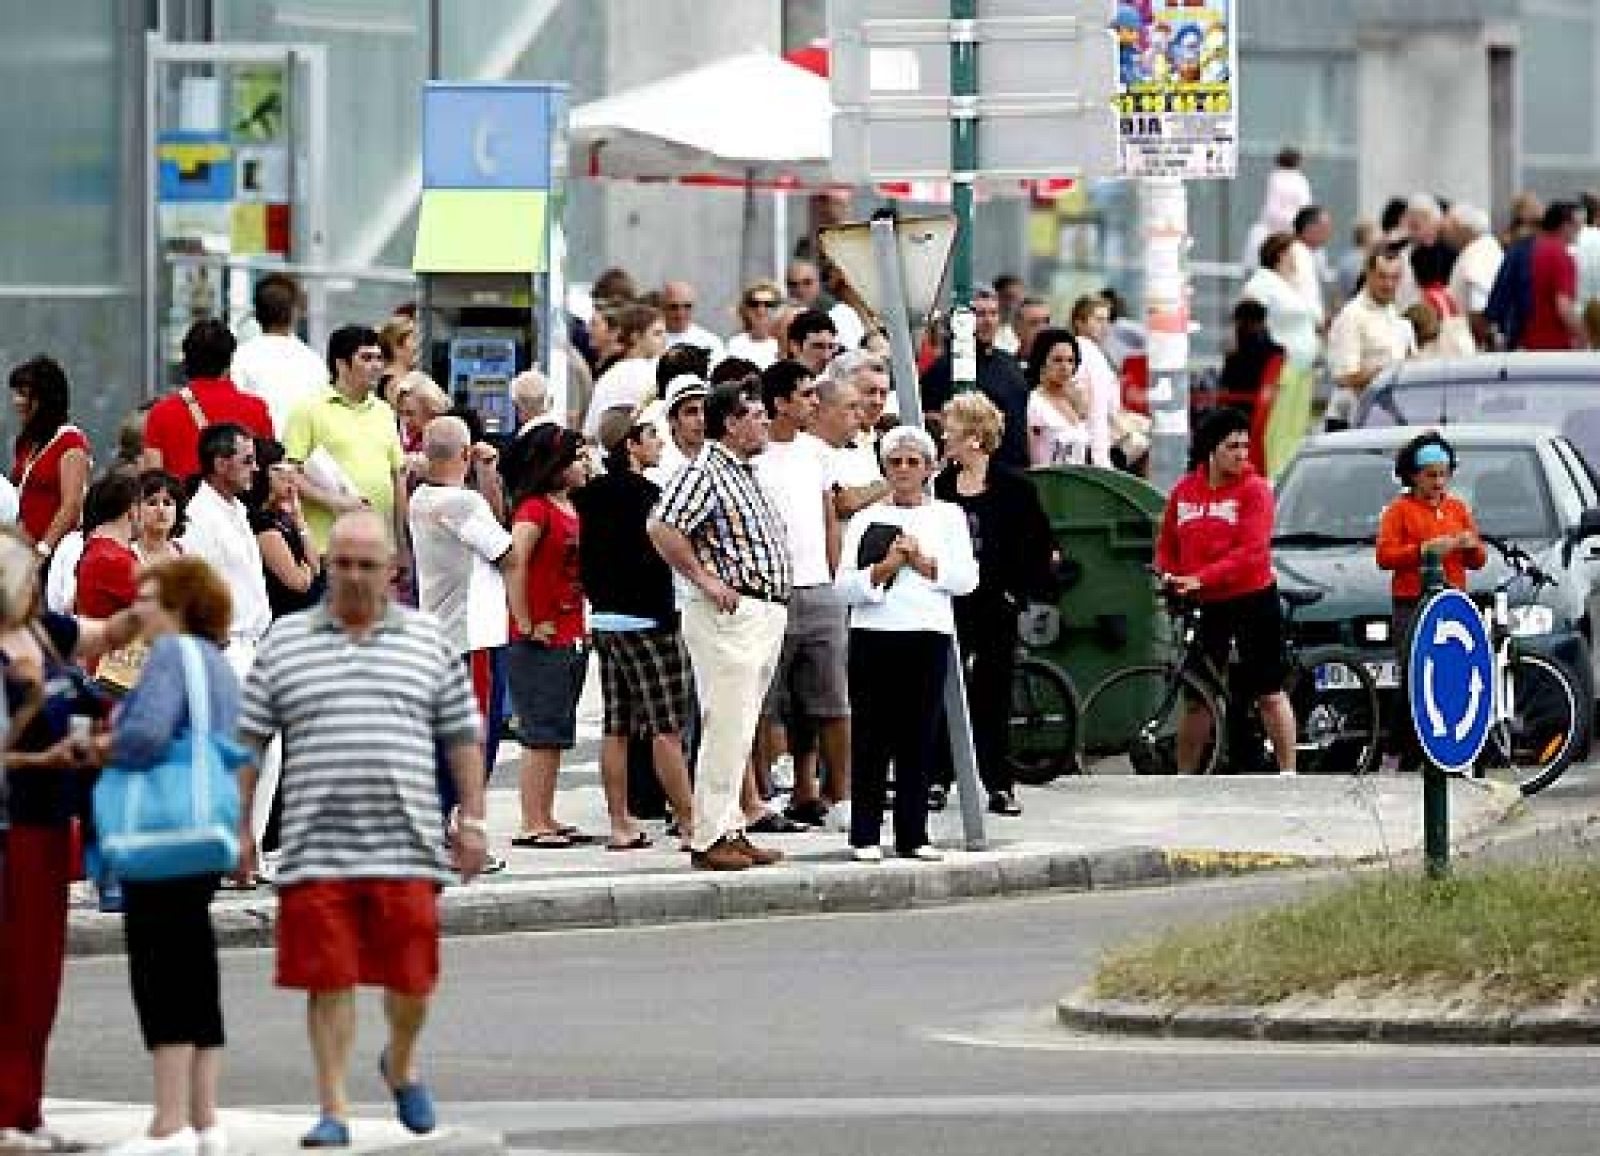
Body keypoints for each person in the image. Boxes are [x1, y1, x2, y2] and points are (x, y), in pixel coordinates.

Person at [235, 511, 487, 1145]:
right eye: (341, 563)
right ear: (325, 566)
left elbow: (461, 735)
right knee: (329, 977)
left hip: (406, 843)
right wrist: (239, 827)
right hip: (315, 845)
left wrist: (474, 820)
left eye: (366, 565)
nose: (352, 576)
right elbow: (250, 743)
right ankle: (335, 1107)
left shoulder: (427, 641)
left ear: (391, 572)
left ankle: (399, 1064)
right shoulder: (286, 642)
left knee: (410, 980)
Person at [0, 527, 144, 1149]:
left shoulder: (46, 634)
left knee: (39, 977)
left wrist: (160, 600)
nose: (38, 581)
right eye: (29, 572)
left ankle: (25, 1109)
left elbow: (106, 634)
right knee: (9, 974)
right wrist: (44, 754)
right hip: (11, 829)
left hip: (52, 825)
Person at [103, 558, 240, 1156]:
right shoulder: (218, 664)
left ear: (179, 607)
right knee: (194, 963)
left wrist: (101, 746)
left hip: (160, 831)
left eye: (151, 599)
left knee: (158, 969)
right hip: (204, 827)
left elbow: (148, 734)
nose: (141, 609)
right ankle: (205, 1117)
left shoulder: (168, 657)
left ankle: (167, 1120)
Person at [648, 382, 791, 871]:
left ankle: (731, 826)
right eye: (756, 414)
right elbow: (662, 526)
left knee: (740, 725)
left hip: (759, 609)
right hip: (731, 614)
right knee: (726, 724)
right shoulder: (705, 471)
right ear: (730, 422)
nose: (765, 422)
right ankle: (708, 836)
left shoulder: (742, 472)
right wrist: (705, 579)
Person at [835, 425, 978, 861]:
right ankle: (865, 834)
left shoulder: (948, 518)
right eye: (895, 461)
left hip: (926, 634)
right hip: (874, 635)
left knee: (918, 737)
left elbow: (966, 579)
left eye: (913, 462)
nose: (903, 470)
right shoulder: (865, 520)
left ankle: (913, 833)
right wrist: (885, 568)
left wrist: (922, 562)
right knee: (871, 737)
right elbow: (846, 587)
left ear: (929, 469)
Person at [573, 410, 696, 845]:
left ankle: (619, 824)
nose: (659, 443)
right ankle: (689, 820)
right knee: (667, 728)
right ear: (631, 444)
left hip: (605, 619)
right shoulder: (650, 496)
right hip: (648, 619)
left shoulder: (588, 496)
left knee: (617, 726)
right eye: (651, 436)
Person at [1154, 408, 1296, 775]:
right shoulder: (1185, 491)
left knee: (1268, 691)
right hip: (1206, 604)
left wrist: (1201, 577)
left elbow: (1251, 553)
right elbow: (1167, 543)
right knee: (1197, 696)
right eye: (1232, 447)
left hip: (1252, 597)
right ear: (1211, 450)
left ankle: (1288, 771)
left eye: (1245, 447)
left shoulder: (1255, 490)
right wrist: (1169, 574)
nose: (1241, 454)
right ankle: (1185, 774)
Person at [934, 393, 1056, 816]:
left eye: (950, 430)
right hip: (947, 602)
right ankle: (938, 776)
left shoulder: (1015, 489)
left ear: (972, 437)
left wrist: (1015, 595)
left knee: (992, 694)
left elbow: (1040, 547)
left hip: (993, 605)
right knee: (943, 689)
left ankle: (998, 782)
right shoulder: (939, 488)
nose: (943, 437)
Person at [408, 416, 512, 859]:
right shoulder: (462, 504)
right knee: (477, 740)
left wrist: (485, 478)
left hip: (442, 633)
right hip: (475, 636)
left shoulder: (422, 498)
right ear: (466, 454)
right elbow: (506, 550)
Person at [752, 360, 850, 828]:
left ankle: (828, 793)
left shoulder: (817, 453)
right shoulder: (753, 454)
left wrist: (833, 574)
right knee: (763, 702)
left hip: (819, 588)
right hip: (769, 591)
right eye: (806, 394)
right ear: (780, 403)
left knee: (827, 699)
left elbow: (830, 515)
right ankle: (760, 794)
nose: (814, 402)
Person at [501, 425, 605, 848]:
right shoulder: (534, 510)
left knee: (558, 730)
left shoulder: (573, 506)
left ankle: (546, 814)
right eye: (577, 456)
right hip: (541, 637)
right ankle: (532, 821)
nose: (584, 463)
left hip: (571, 631)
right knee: (540, 731)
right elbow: (515, 562)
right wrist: (526, 622)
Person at [1375, 433, 1486, 771]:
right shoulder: (1399, 511)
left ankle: (1443, 751)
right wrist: (1423, 551)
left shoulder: (1457, 509)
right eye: (1430, 475)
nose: (1438, 482)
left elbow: (1478, 560)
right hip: (1412, 604)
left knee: (1450, 676)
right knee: (1413, 678)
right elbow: (1384, 555)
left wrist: (1468, 546)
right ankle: (1396, 753)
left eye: (1443, 474)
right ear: (1413, 476)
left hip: (1452, 603)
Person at [283, 325, 407, 555]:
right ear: (341, 364)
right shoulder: (308, 409)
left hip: (378, 546)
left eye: (379, 358)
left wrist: (399, 543)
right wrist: (334, 501)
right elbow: (288, 473)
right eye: (367, 358)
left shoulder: (384, 411)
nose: (377, 366)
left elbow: (397, 475)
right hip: (328, 547)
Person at [179, 425, 270, 681]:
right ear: (220, 464)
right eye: (247, 460)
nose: (256, 468)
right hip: (226, 653)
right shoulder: (198, 518)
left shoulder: (237, 509)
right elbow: (194, 591)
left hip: (254, 648)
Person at [142, 320, 273, 481]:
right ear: (230, 360)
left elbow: (152, 481)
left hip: (184, 504)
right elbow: (267, 471)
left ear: (186, 360)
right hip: (241, 504)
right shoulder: (256, 409)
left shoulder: (160, 413)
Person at [920, 289, 1030, 468]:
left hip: (1016, 470)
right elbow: (930, 418)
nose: (988, 321)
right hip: (975, 472)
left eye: (993, 314)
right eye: (980, 315)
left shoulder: (1010, 363)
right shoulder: (943, 369)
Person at [9, 356, 89, 560]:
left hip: (54, 553)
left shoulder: (71, 442)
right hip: (22, 549)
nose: (17, 402)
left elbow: (71, 506)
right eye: (16, 394)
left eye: (24, 395)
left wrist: (43, 549)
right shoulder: (26, 443)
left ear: (45, 399)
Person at [1326, 248, 1414, 431]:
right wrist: (1390, 371)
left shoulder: (1395, 314)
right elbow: (1345, 378)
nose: (1389, 284)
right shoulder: (1351, 316)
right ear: (1368, 275)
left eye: (1395, 277)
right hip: (1351, 420)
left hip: (1385, 417)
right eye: (1382, 276)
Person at [229, 274, 329, 432]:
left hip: (257, 450)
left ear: (256, 313)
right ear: (295, 312)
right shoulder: (314, 362)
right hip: (302, 453)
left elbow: (235, 414)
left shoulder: (241, 357)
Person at [244, 439, 323, 621]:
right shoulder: (259, 521)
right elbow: (298, 582)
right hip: (287, 617)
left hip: (307, 611)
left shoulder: (282, 515)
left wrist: (298, 516)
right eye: (280, 468)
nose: (289, 474)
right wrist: (306, 571)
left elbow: (315, 565)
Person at [583, 304, 666, 437]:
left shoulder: (610, 374)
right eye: (657, 334)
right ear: (635, 337)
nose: (664, 340)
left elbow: (589, 431)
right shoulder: (646, 373)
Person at [1025, 329, 1095, 467]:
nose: (1065, 367)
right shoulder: (1034, 403)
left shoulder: (1073, 401)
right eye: (1057, 360)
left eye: (1070, 361)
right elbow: (1031, 460)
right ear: (1042, 362)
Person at [1521, 201, 1585, 351]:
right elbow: (1564, 306)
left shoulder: (1530, 249)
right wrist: (1583, 336)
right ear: (1564, 225)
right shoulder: (1561, 256)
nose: (1579, 230)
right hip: (1555, 344)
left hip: (1528, 340)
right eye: (1577, 225)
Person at [660, 280, 725, 360]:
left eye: (687, 306)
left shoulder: (710, 342)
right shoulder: (651, 340)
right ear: (662, 308)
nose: (681, 314)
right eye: (673, 307)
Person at [726, 279, 784, 368]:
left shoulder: (785, 345)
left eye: (768, 304)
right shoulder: (734, 345)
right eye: (754, 304)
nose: (761, 310)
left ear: (777, 309)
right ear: (745, 309)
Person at [134, 471, 186, 569]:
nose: (161, 509)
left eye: (167, 503)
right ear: (136, 509)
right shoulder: (127, 554)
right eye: (152, 503)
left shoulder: (184, 553)